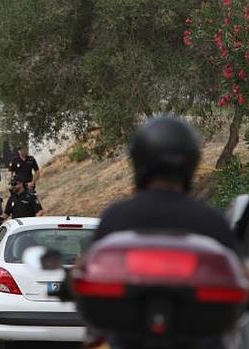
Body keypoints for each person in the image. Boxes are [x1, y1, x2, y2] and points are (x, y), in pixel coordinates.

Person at [91, 117, 238, 349]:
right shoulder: (212, 222)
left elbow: (92, 272)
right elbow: (240, 273)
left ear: (138, 161)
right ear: (191, 162)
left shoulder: (114, 219)